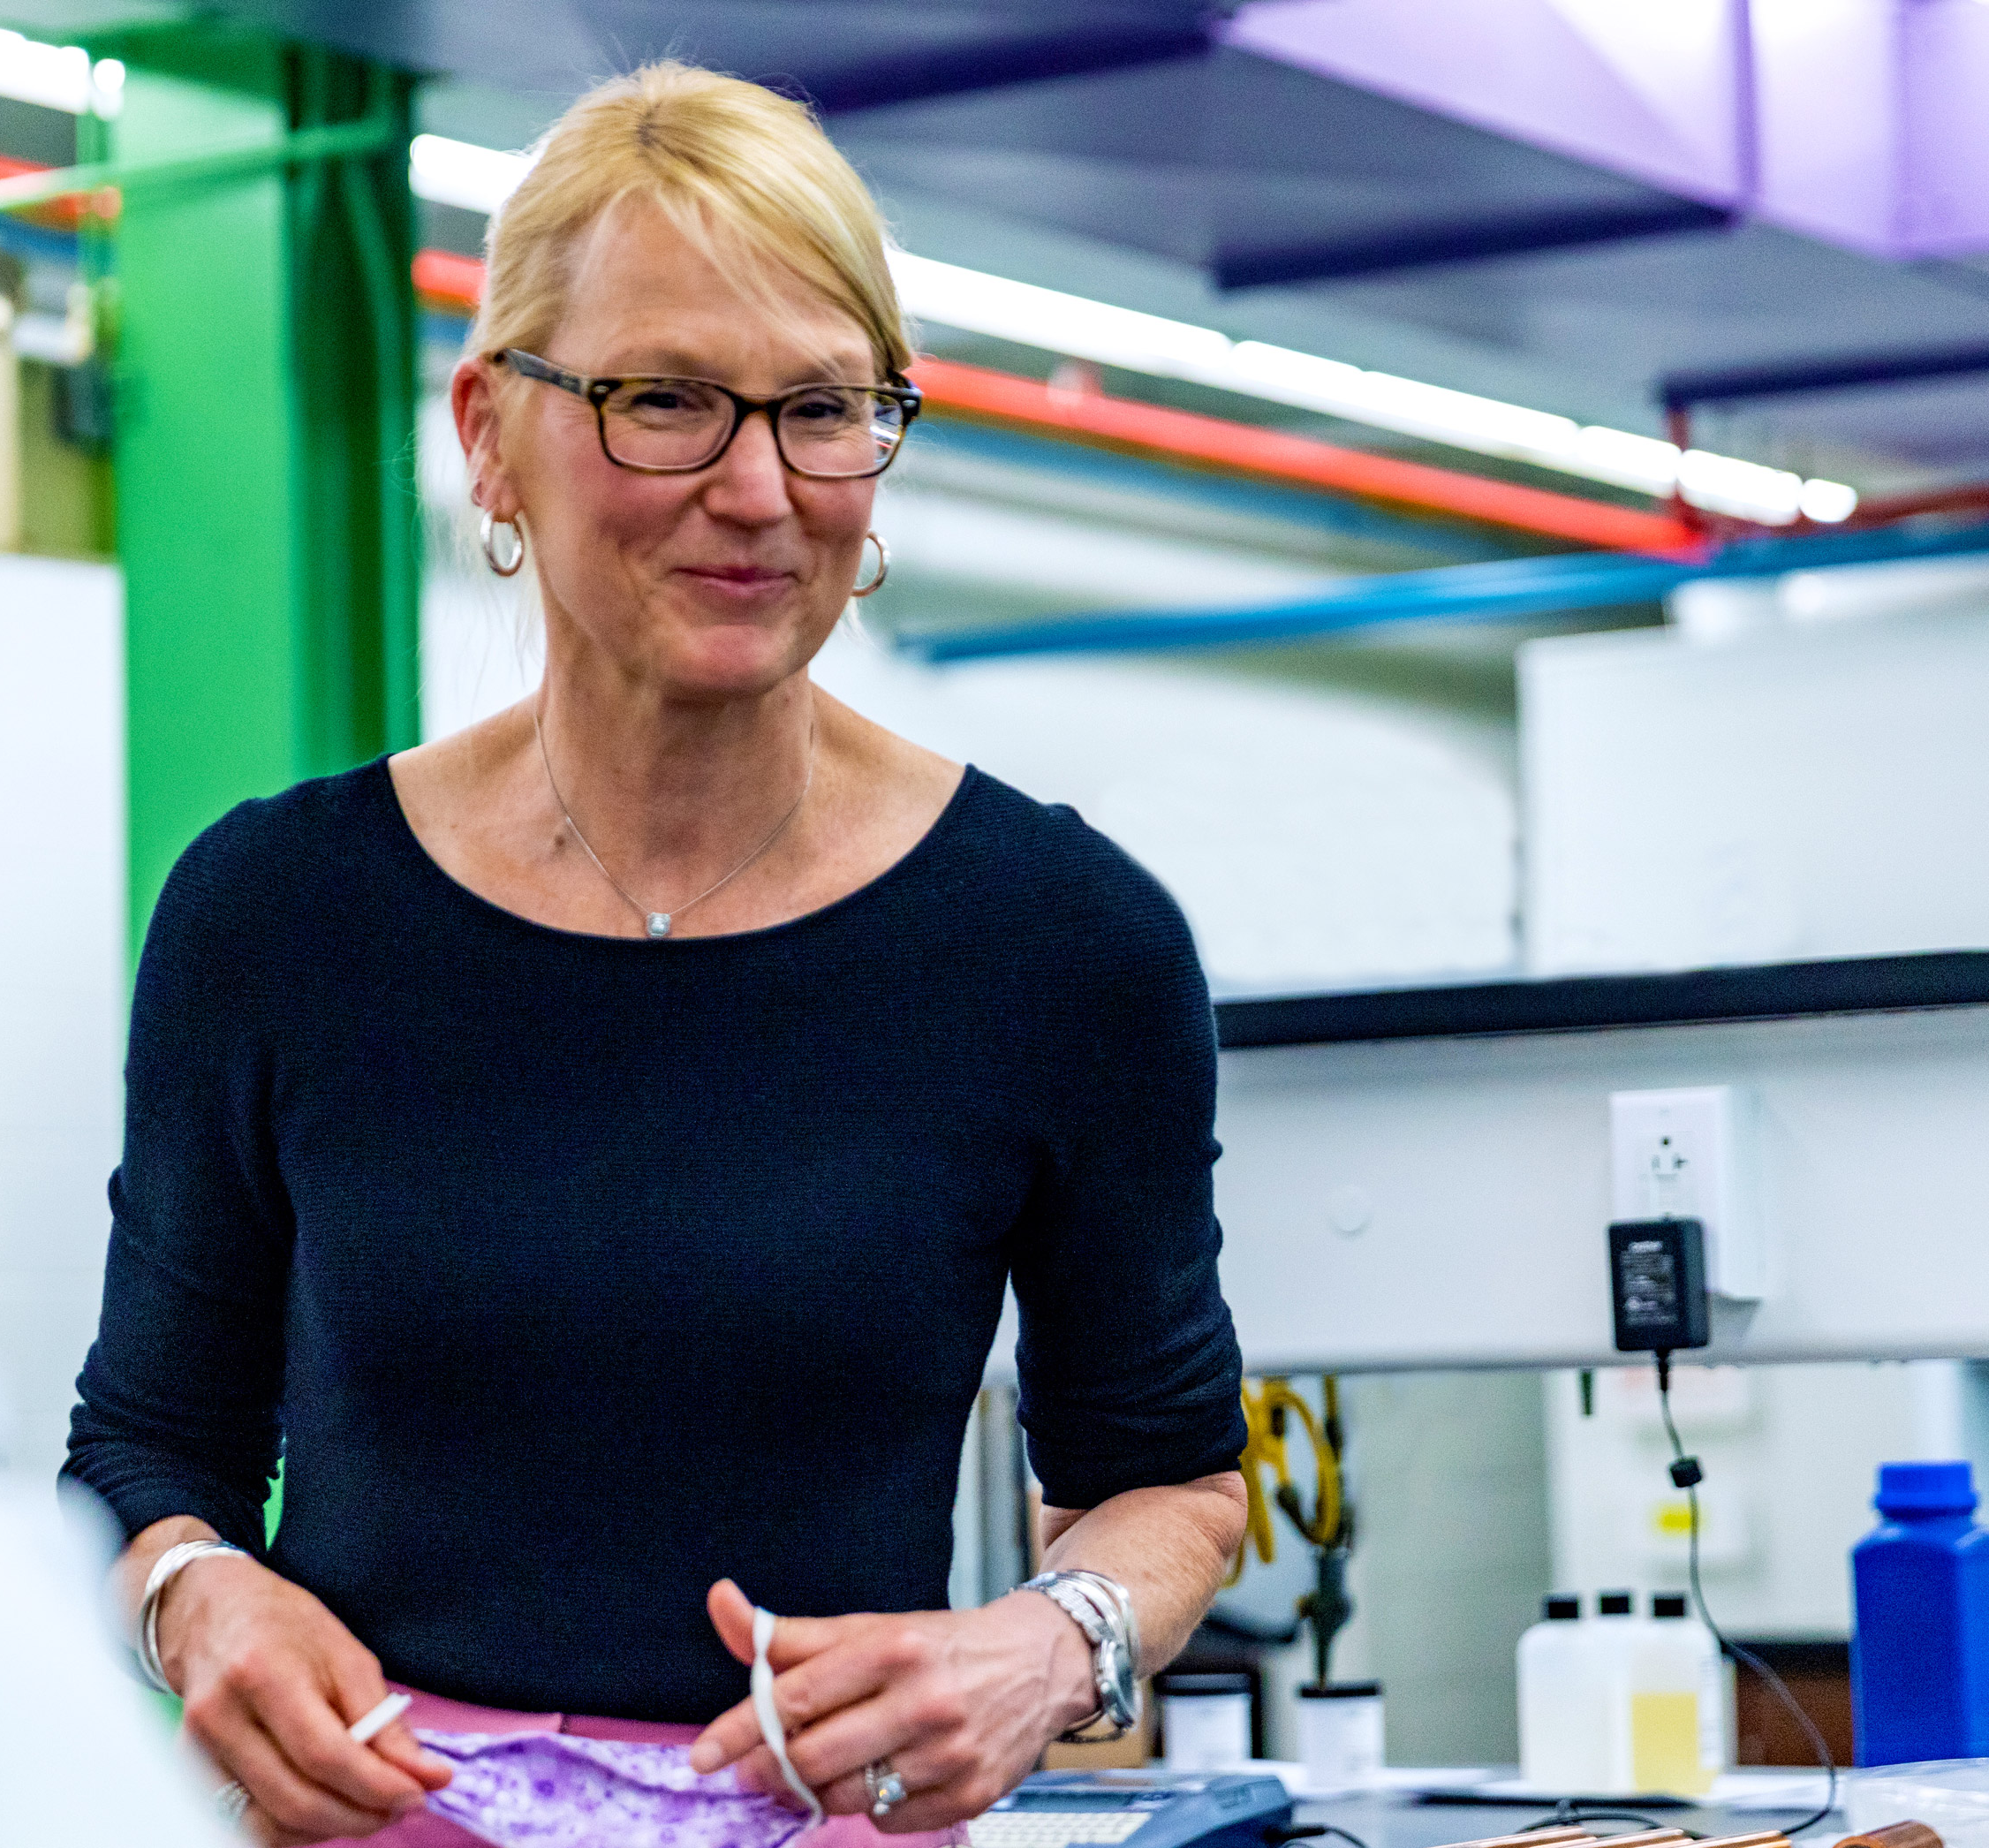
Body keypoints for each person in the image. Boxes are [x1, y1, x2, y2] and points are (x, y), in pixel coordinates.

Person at [64, 60, 1250, 1847]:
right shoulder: (277, 917)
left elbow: (1167, 1477)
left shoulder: (1063, 944)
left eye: (824, 408)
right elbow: (145, 1447)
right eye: (665, 400)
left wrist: (1045, 1642)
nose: (759, 486)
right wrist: (194, 1594)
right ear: (489, 431)